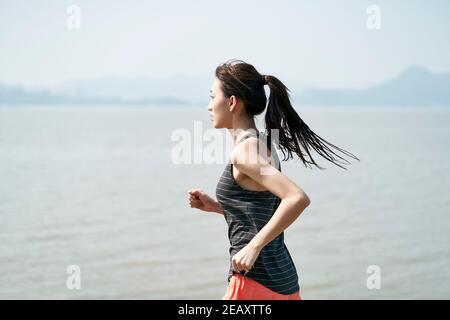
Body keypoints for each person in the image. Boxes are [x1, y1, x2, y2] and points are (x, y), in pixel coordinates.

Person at [187, 59, 360, 300]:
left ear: (232, 102)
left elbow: (296, 198)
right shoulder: (263, 142)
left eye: (212, 96)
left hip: (256, 283)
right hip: (282, 281)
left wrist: (253, 247)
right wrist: (217, 207)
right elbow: (262, 207)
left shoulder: (245, 153)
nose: (208, 106)